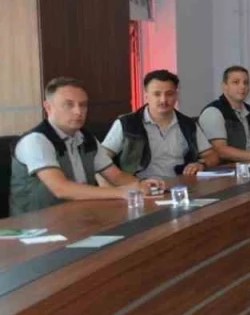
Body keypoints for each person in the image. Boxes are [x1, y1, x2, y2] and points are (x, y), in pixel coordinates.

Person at [9, 77, 166, 214]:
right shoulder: (36, 141)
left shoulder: (85, 137)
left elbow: (116, 176)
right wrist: (121, 192)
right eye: (69, 105)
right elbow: (61, 189)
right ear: (48, 107)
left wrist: (141, 185)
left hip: (79, 216)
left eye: (83, 105)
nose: (78, 111)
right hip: (37, 227)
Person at [101, 69, 218, 179]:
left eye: (169, 94)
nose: (163, 100)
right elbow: (102, 160)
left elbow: (211, 155)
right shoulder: (126, 123)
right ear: (146, 96)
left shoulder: (188, 124)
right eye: (157, 94)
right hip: (141, 185)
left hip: (181, 185)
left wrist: (200, 164)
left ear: (176, 95)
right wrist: (117, 182)